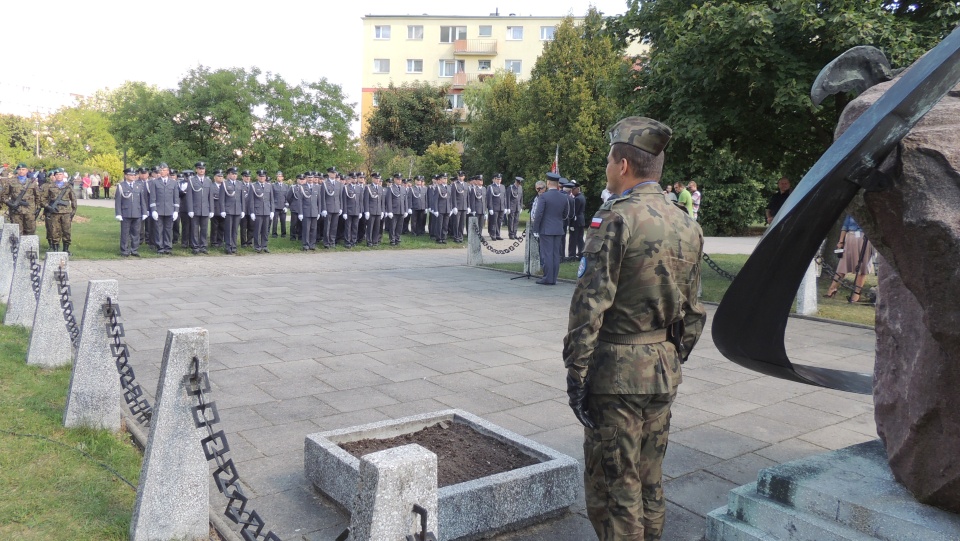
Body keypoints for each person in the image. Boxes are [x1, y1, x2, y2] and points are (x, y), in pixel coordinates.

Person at [563, 116, 706, 541]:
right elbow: (694, 312)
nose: (607, 169)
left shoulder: (618, 219)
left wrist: (577, 372)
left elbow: (590, 305)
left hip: (617, 371)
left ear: (623, 166)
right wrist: (669, 354)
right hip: (662, 366)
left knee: (615, 487)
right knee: (650, 479)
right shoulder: (686, 222)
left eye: (609, 160)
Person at [826, 214, 875, 302]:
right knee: (842, 265)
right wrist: (841, 242)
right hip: (850, 237)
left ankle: (856, 294)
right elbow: (845, 227)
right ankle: (832, 288)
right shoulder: (852, 210)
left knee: (862, 267)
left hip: (865, 239)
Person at [531, 172, 569, 285]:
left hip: (546, 229)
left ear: (547, 183)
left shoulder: (544, 197)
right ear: (557, 184)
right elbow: (566, 214)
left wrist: (536, 229)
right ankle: (554, 278)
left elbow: (539, 214)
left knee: (547, 254)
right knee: (555, 254)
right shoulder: (563, 197)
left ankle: (548, 278)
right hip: (558, 228)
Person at [41, 168, 78, 253]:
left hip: (66, 212)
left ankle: (66, 249)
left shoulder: (68, 186)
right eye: (57, 175)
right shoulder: (50, 186)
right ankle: (55, 249)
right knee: (55, 231)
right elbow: (43, 199)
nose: (59, 176)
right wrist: (48, 207)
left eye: (60, 174)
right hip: (54, 212)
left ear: (63, 175)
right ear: (54, 176)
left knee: (66, 231)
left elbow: (73, 199)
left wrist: (73, 212)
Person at [114, 168, 147, 257]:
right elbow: (118, 201)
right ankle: (124, 250)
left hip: (137, 212)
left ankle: (134, 250)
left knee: (136, 233)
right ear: (126, 176)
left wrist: (144, 212)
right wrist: (118, 213)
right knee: (125, 233)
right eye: (131, 175)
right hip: (126, 213)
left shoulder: (139, 185)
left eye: (134, 175)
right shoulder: (121, 186)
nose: (133, 176)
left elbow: (142, 200)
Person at [2, 162, 41, 235]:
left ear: (27, 171)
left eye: (23, 169)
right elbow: (4, 196)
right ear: (17, 171)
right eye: (19, 169)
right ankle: (16, 246)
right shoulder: (10, 182)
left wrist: (38, 208)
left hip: (29, 210)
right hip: (16, 210)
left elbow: (38, 196)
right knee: (16, 231)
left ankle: (29, 246)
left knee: (30, 230)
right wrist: (9, 203)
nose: (21, 171)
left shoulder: (32, 182)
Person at [149, 163, 179, 254]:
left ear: (168, 171)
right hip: (159, 209)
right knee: (158, 229)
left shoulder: (173, 183)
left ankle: (168, 247)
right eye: (161, 170)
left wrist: (176, 211)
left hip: (170, 210)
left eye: (164, 170)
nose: (162, 172)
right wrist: (153, 210)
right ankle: (160, 247)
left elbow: (176, 198)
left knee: (168, 229)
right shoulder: (155, 182)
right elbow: (152, 197)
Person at [186, 162, 215, 255]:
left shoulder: (208, 181)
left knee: (204, 229)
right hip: (195, 209)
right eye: (199, 168)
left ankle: (203, 246)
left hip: (205, 209)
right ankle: (195, 247)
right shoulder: (191, 180)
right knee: (194, 229)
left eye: (203, 168)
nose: (201, 170)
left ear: (205, 170)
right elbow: (189, 196)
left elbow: (210, 196)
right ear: (196, 170)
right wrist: (190, 209)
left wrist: (211, 210)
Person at [247, 170, 274, 253]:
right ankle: (257, 246)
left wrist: (272, 211)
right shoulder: (253, 186)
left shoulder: (269, 186)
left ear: (265, 177)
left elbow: (271, 199)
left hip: (266, 210)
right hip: (257, 211)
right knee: (257, 230)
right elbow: (251, 200)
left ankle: (264, 245)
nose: (262, 178)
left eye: (263, 176)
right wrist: (252, 212)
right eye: (260, 176)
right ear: (257, 177)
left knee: (265, 230)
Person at [219, 167, 245, 254]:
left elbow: (242, 199)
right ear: (229, 175)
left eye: (235, 174)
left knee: (235, 229)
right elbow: (221, 198)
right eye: (233, 174)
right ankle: (228, 246)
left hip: (237, 210)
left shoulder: (239, 184)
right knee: (228, 229)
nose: (234, 175)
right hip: (228, 210)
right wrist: (222, 210)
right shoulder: (224, 184)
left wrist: (243, 210)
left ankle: (234, 246)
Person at [568, 181, 586, 258]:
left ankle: (572, 254)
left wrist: (571, 223)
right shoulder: (582, 196)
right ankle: (581, 252)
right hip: (581, 220)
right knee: (580, 238)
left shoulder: (577, 199)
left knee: (573, 238)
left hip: (576, 220)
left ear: (577, 189)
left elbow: (574, 212)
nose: (572, 191)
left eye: (573, 190)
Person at [486, 173, 507, 240]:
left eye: (500, 179)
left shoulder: (502, 187)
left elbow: (504, 198)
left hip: (501, 207)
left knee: (499, 222)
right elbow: (489, 198)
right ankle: (493, 234)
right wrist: (490, 208)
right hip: (494, 208)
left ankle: (498, 234)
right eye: (497, 179)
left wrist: (505, 207)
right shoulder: (491, 187)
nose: (499, 180)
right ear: (494, 179)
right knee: (493, 222)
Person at [271, 171, 288, 238]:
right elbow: (271, 196)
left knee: (283, 221)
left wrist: (286, 206)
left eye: (280, 176)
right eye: (278, 176)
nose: (279, 177)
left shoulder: (286, 186)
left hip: (283, 206)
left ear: (282, 177)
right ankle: (274, 234)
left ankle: (283, 234)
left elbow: (287, 196)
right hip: (275, 206)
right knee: (275, 221)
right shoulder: (273, 185)